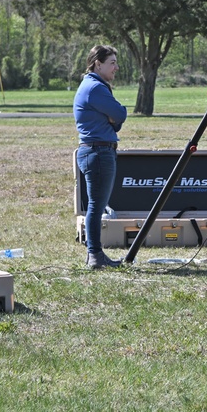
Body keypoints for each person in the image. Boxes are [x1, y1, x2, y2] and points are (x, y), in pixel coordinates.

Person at [74, 45, 128, 270]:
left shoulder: (94, 86)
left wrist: (114, 120)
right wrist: (114, 119)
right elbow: (120, 114)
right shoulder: (95, 88)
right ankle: (95, 254)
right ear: (98, 63)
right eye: (112, 62)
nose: (116, 67)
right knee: (97, 206)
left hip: (97, 150)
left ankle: (95, 254)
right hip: (98, 152)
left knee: (97, 204)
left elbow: (117, 121)